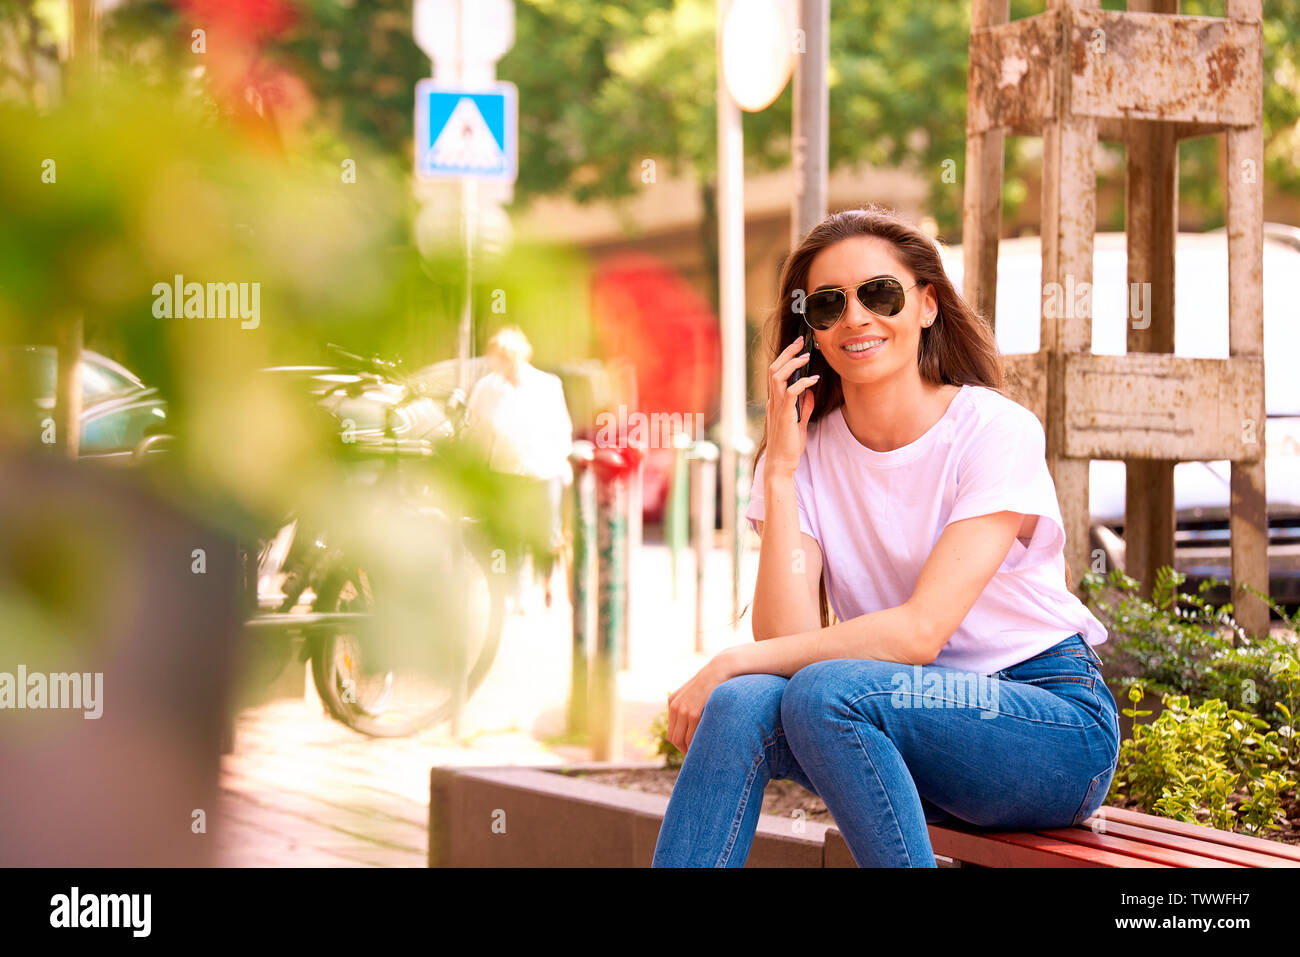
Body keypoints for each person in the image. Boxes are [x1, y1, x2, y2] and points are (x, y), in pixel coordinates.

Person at [651, 205, 1119, 867]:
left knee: (816, 691)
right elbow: (785, 639)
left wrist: (726, 657)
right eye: (829, 304)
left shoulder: (993, 430)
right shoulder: (800, 455)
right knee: (741, 704)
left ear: (926, 305)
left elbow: (920, 632)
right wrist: (782, 472)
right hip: (896, 717)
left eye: (879, 293)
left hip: (1045, 725)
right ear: (807, 328)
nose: (855, 318)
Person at [462, 326, 573, 613]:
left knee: (544, 535)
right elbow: (475, 429)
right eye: (499, 356)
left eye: (508, 356)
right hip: (505, 471)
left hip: (542, 470)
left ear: (521, 355)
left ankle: (547, 584)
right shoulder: (487, 388)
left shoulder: (547, 385)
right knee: (511, 536)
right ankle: (515, 593)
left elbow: (560, 427)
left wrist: (563, 464)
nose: (504, 362)